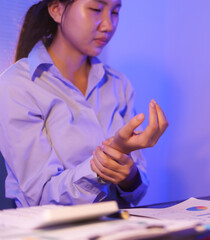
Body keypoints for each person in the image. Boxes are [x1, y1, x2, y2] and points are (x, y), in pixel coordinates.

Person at [0, 0, 168, 208]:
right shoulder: (17, 85)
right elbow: (41, 197)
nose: (108, 25)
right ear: (57, 10)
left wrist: (129, 174)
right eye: (96, 9)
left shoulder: (118, 83)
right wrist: (103, 164)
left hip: (119, 228)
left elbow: (136, 193)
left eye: (115, 12)